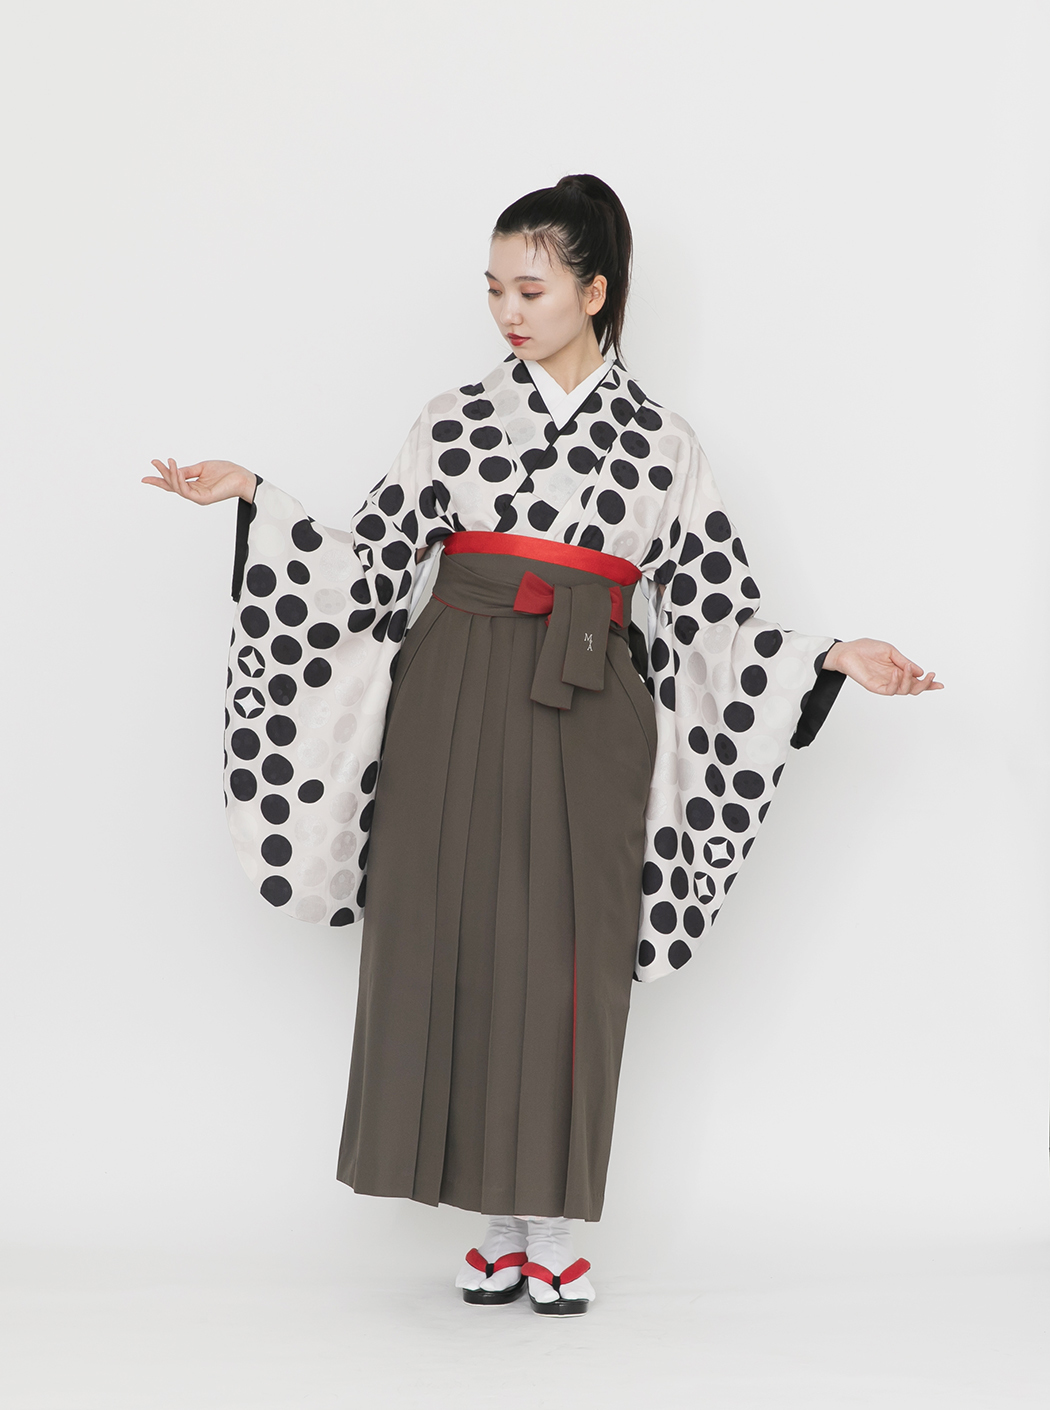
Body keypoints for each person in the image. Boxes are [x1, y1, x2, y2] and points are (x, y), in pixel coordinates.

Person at [143, 174, 941, 1316]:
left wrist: (828, 657)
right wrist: (257, 500)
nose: (506, 311)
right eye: (494, 290)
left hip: (590, 703)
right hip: (451, 693)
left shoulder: (663, 444)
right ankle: (496, 1224)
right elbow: (370, 564)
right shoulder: (453, 420)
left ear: (595, 292)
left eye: (531, 288)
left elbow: (714, 616)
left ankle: (553, 1222)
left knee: (569, 958)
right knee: (454, 935)